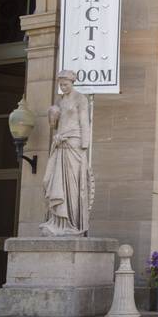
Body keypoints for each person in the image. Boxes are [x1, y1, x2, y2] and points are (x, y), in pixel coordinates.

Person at [39, 70, 95, 237]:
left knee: (71, 184)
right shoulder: (60, 101)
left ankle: (70, 221)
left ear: (72, 82)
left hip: (74, 143)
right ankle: (57, 222)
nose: (63, 87)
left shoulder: (80, 99)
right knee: (52, 180)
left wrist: (84, 145)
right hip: (59, 143)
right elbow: (54, 126)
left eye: (66, 84)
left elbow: (85, 122)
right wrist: (52, 115)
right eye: (61, 85)